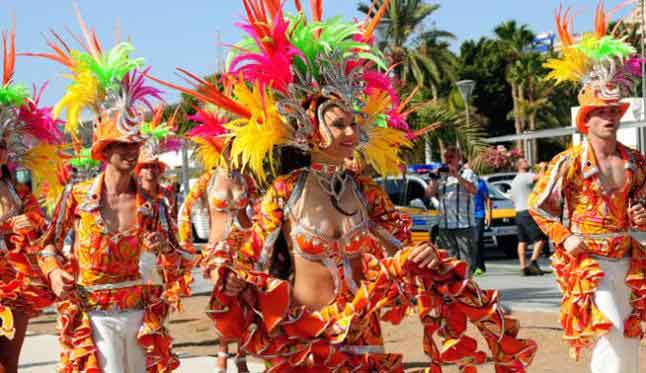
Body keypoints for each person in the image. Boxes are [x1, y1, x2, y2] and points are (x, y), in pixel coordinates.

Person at [153, 1, 537, 371]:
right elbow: (250, 256)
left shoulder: (364, 190)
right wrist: (231, 277)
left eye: (354, 123)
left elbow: (401, 243)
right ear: (309, 131)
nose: (352, 132)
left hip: (362, 333)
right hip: (304, 336)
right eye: (339, 125)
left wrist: (421, 256)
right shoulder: (287, 191)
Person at [34, 13, 185, 372]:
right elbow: (47, 244)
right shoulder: (77, 194)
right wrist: (55, 272)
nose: (130, 151)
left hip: (140, 311)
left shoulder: (154, 203)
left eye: (135, 144)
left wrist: (167, 252)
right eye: (121, 144)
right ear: (103, 149)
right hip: (93, 313)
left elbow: (179, 253)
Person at [529, 4, 646, 372]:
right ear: (586, 120)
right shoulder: (568, 162)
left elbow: (642, 200)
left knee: (627, 334)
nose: (610, 117)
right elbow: (539, 206)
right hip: (588, 261)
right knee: (609, 327)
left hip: (627, 258)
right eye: (602, 112)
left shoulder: (636, 160)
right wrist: (564, 238)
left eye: (614, 111)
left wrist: (640, 213)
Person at [0, 26, 61, 373]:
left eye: (2, 145)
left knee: (9, 362)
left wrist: (29, 222)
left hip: (16, 282)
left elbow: (41, 224)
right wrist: (9, 225)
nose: (0, 152)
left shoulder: (19, 191)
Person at [177, 108, 255, 373]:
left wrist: (261, 242)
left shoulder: (246, 179)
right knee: (224, 297)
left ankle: (241, 355)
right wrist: (190, 250)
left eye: (233, 141)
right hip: (217, 249)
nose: (229, 146)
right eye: (225, 140)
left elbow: (258, 212)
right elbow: (184, 212)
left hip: (244, 246)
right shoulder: (207, 180)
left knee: (246, 301)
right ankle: (222, 353)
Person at [426, 146, 478, 273]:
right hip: (445, 225)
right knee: (448, 261)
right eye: (446, 157)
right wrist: (434, 179)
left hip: (464, 224)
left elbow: (473, 190)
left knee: (466, 261)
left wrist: (457, 176)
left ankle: (467, 288)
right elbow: (428, 194)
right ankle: (453, 289)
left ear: (459, 159)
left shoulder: (468, 173)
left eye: (451, 157)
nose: (448, 160)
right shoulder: (441, 176)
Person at [511, 158, 549, 276]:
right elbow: (542, 178)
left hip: (518, 212)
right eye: (524, 161)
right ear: (519, 166)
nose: (527, 161)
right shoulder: (526, 176)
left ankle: (523, 266)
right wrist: (543, 166)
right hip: (528, 211)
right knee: (541, 238)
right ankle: (533, 262)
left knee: (522, 241)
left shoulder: (515, 179)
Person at [472, 177, 491, 276]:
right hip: (465, 216)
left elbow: (487, 199)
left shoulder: (480, 182)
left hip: (479, 214)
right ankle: (474, 266)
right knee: (471, 242)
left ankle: (478, 267)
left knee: (477, 240)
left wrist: (489, 215)